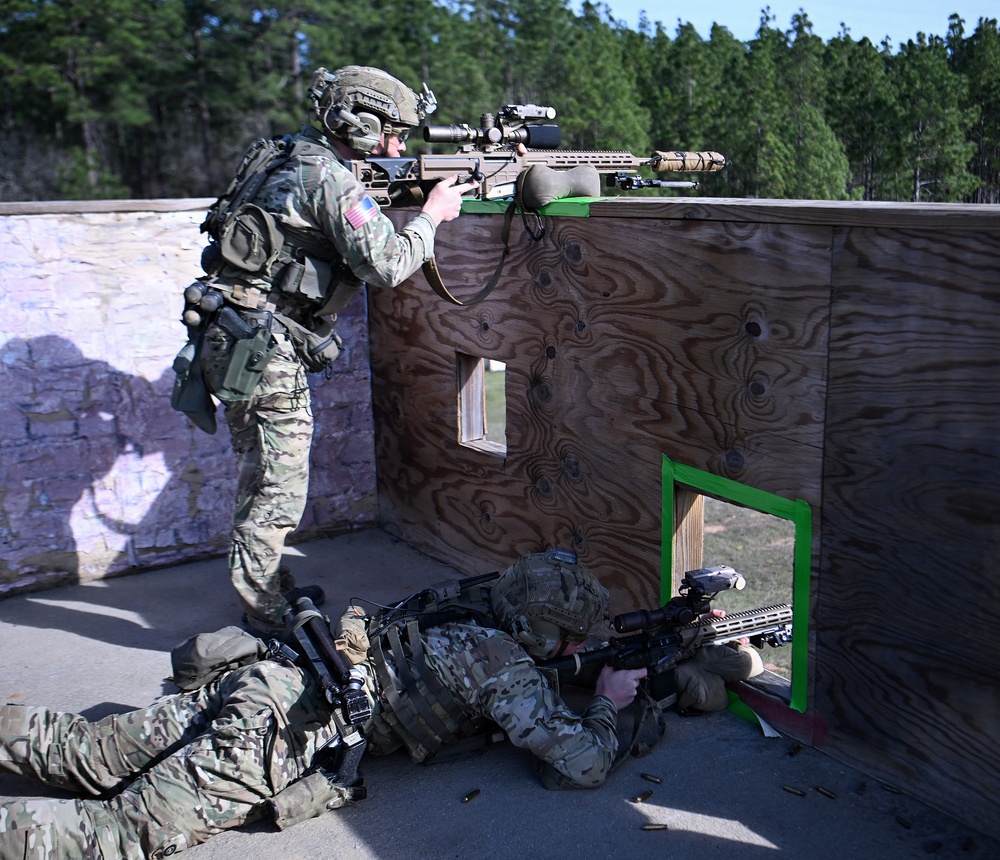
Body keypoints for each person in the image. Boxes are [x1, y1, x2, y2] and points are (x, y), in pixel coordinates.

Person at [0, 551, 760, 859]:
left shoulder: (475, 596)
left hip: (270, 675)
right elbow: (584, 765)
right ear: (542, 632)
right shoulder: (503, 665)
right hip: (287, 731)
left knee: (86, 749)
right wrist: (609, 703)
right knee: (120, 831)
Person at [174, 65, 477, 638]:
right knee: (277, 485)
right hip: (260, 345)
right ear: (359, 124)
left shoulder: (283, 154)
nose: (397, 146)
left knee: (261, 473)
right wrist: (432, 217)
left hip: (229, 330)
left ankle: (264, 587)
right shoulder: (332, 180)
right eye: (393, 133)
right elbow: (386, 264)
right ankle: (265, 611)